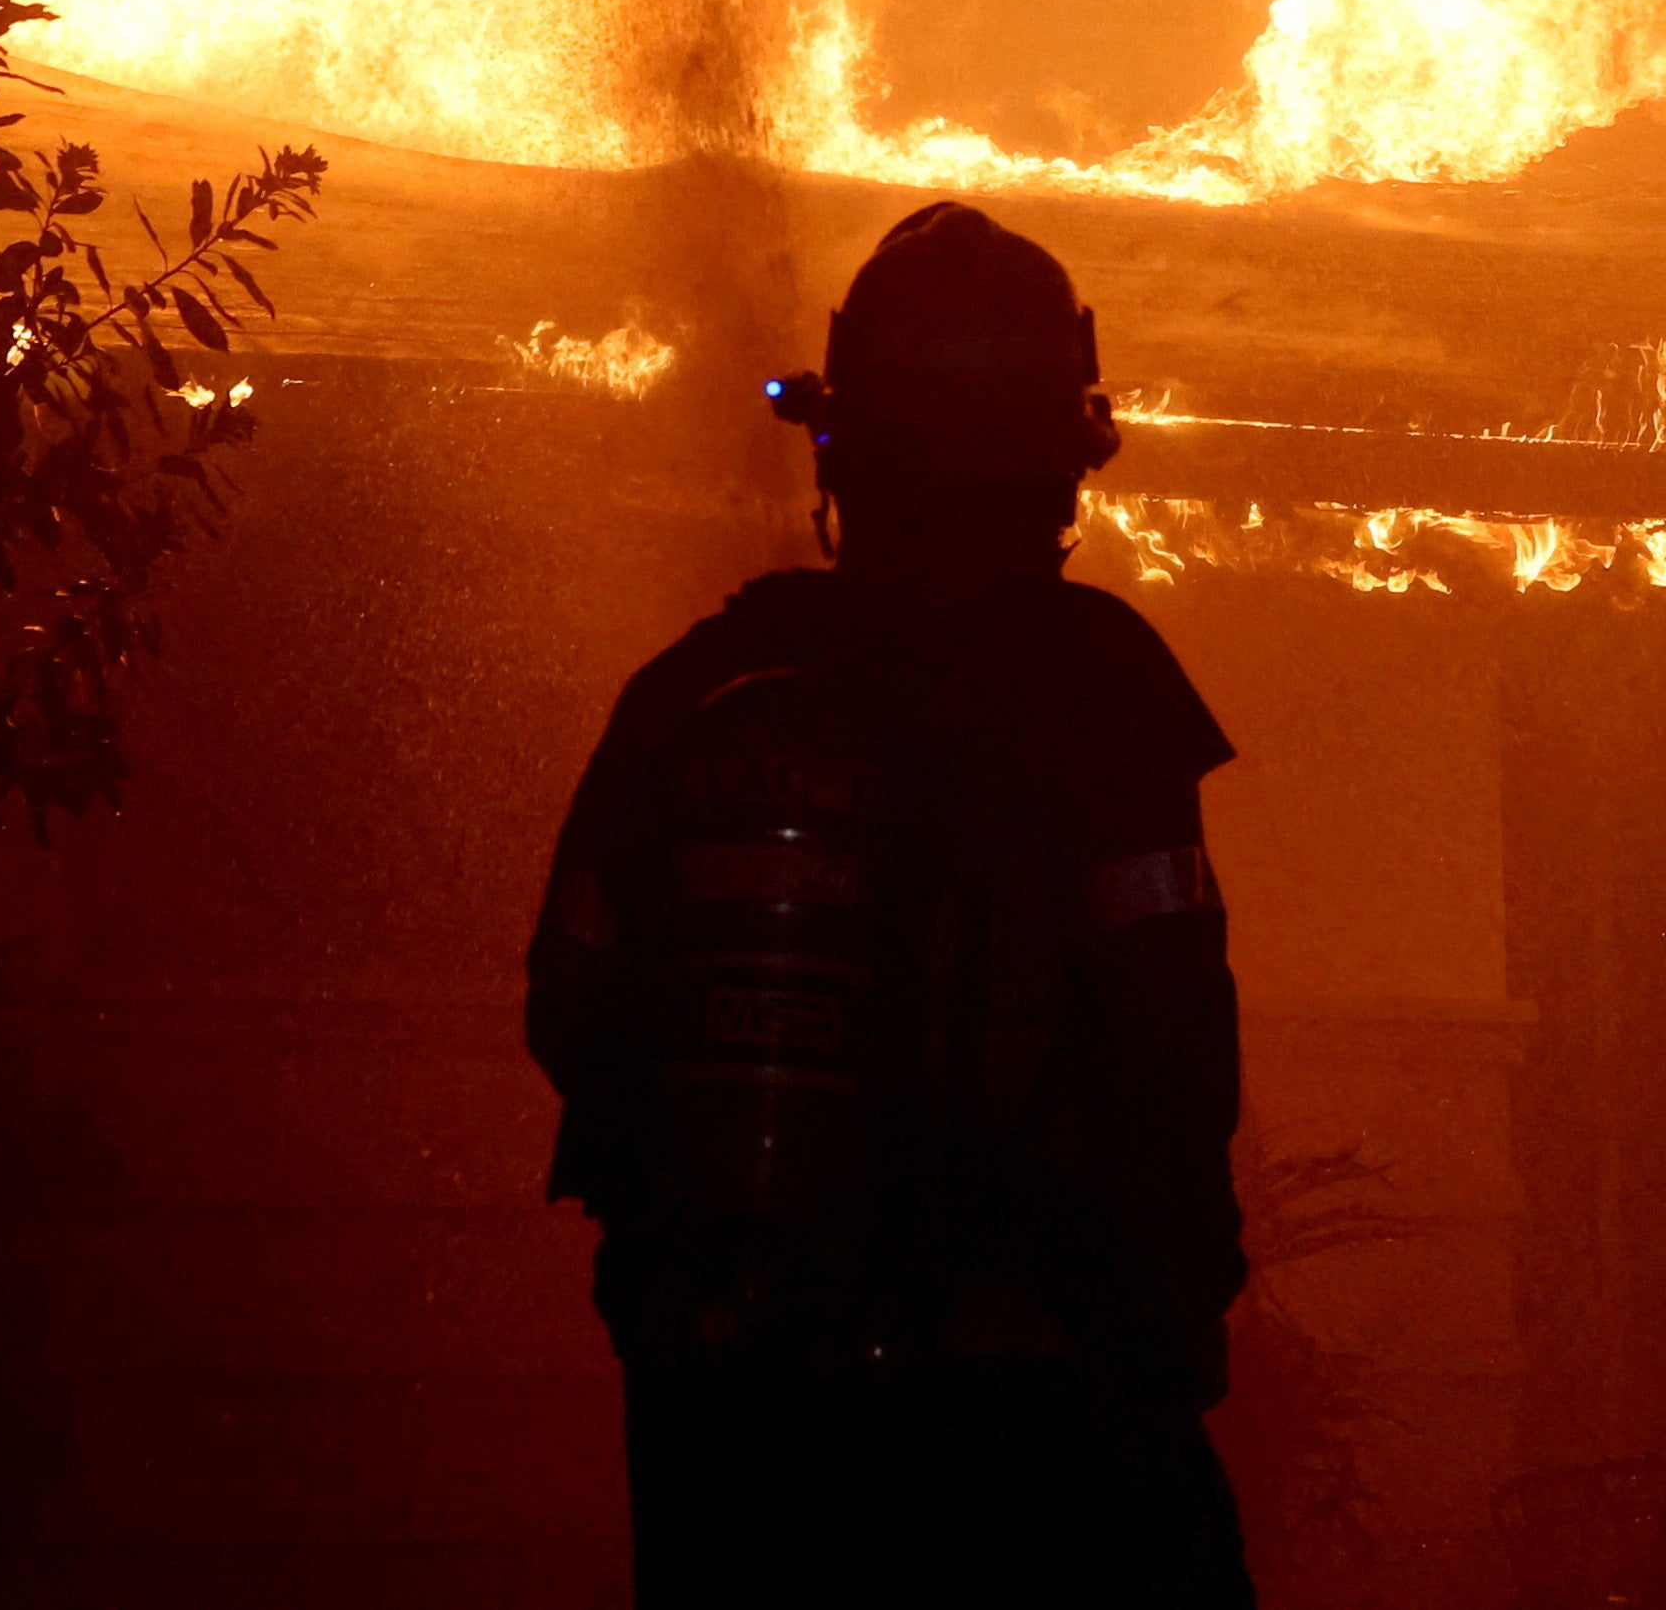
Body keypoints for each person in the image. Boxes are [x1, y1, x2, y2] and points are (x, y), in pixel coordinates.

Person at [526, 206, 1253, 1607]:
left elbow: (571, 1008)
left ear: (845, 456)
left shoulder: (697, 693)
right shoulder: (1097, 693)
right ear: (1058, 464)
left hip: (739, 1417)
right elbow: (1172, 1035)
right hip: (1034, 1407)